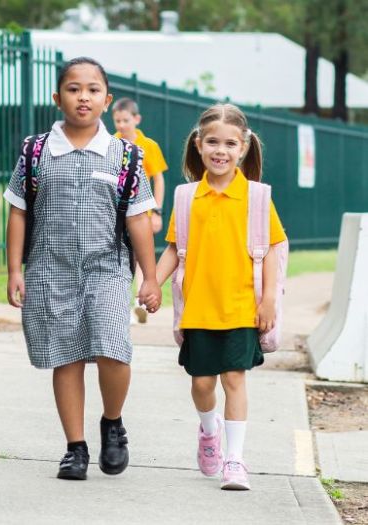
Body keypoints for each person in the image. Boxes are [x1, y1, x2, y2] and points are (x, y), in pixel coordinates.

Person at [3, 56, 161, 481]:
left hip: (106, 269)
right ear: (58, 98)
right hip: (49, 270)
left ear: (107, 101)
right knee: (66, 357)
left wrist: (149, 276)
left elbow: (138, 219)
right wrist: (14, 270)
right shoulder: (36, 152)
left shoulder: (125, 156)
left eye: (93, 90)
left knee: (113, 348)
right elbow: (18, 211)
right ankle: (75, 448)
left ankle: (113, 422)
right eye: (74, 89)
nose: (83, 97)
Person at [155, 103, 287, 490]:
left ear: (243, 147)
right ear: (198, 144)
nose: (221, 150)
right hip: (198, 308)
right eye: (212, 141)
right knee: (201, 384)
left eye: (230, 143)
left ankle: (235, 459)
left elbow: (275, 248)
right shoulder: (185, 197)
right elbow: (174, 249)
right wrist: (153, 284)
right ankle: (209, 431)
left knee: (234, 379)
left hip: (241, 306)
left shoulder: (257, 197)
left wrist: (268, 302)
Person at [112, 98, 168, 324]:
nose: (121, 125)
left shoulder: (149, 146)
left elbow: (158, 180)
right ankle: (117, 305)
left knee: (140, 258)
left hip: (140, 213)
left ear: (136, 119)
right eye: (117, 120)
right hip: (116, 213)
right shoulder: (110, 143)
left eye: (126, 120)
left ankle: (140, 304)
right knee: (119, 258)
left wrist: (157, 211)